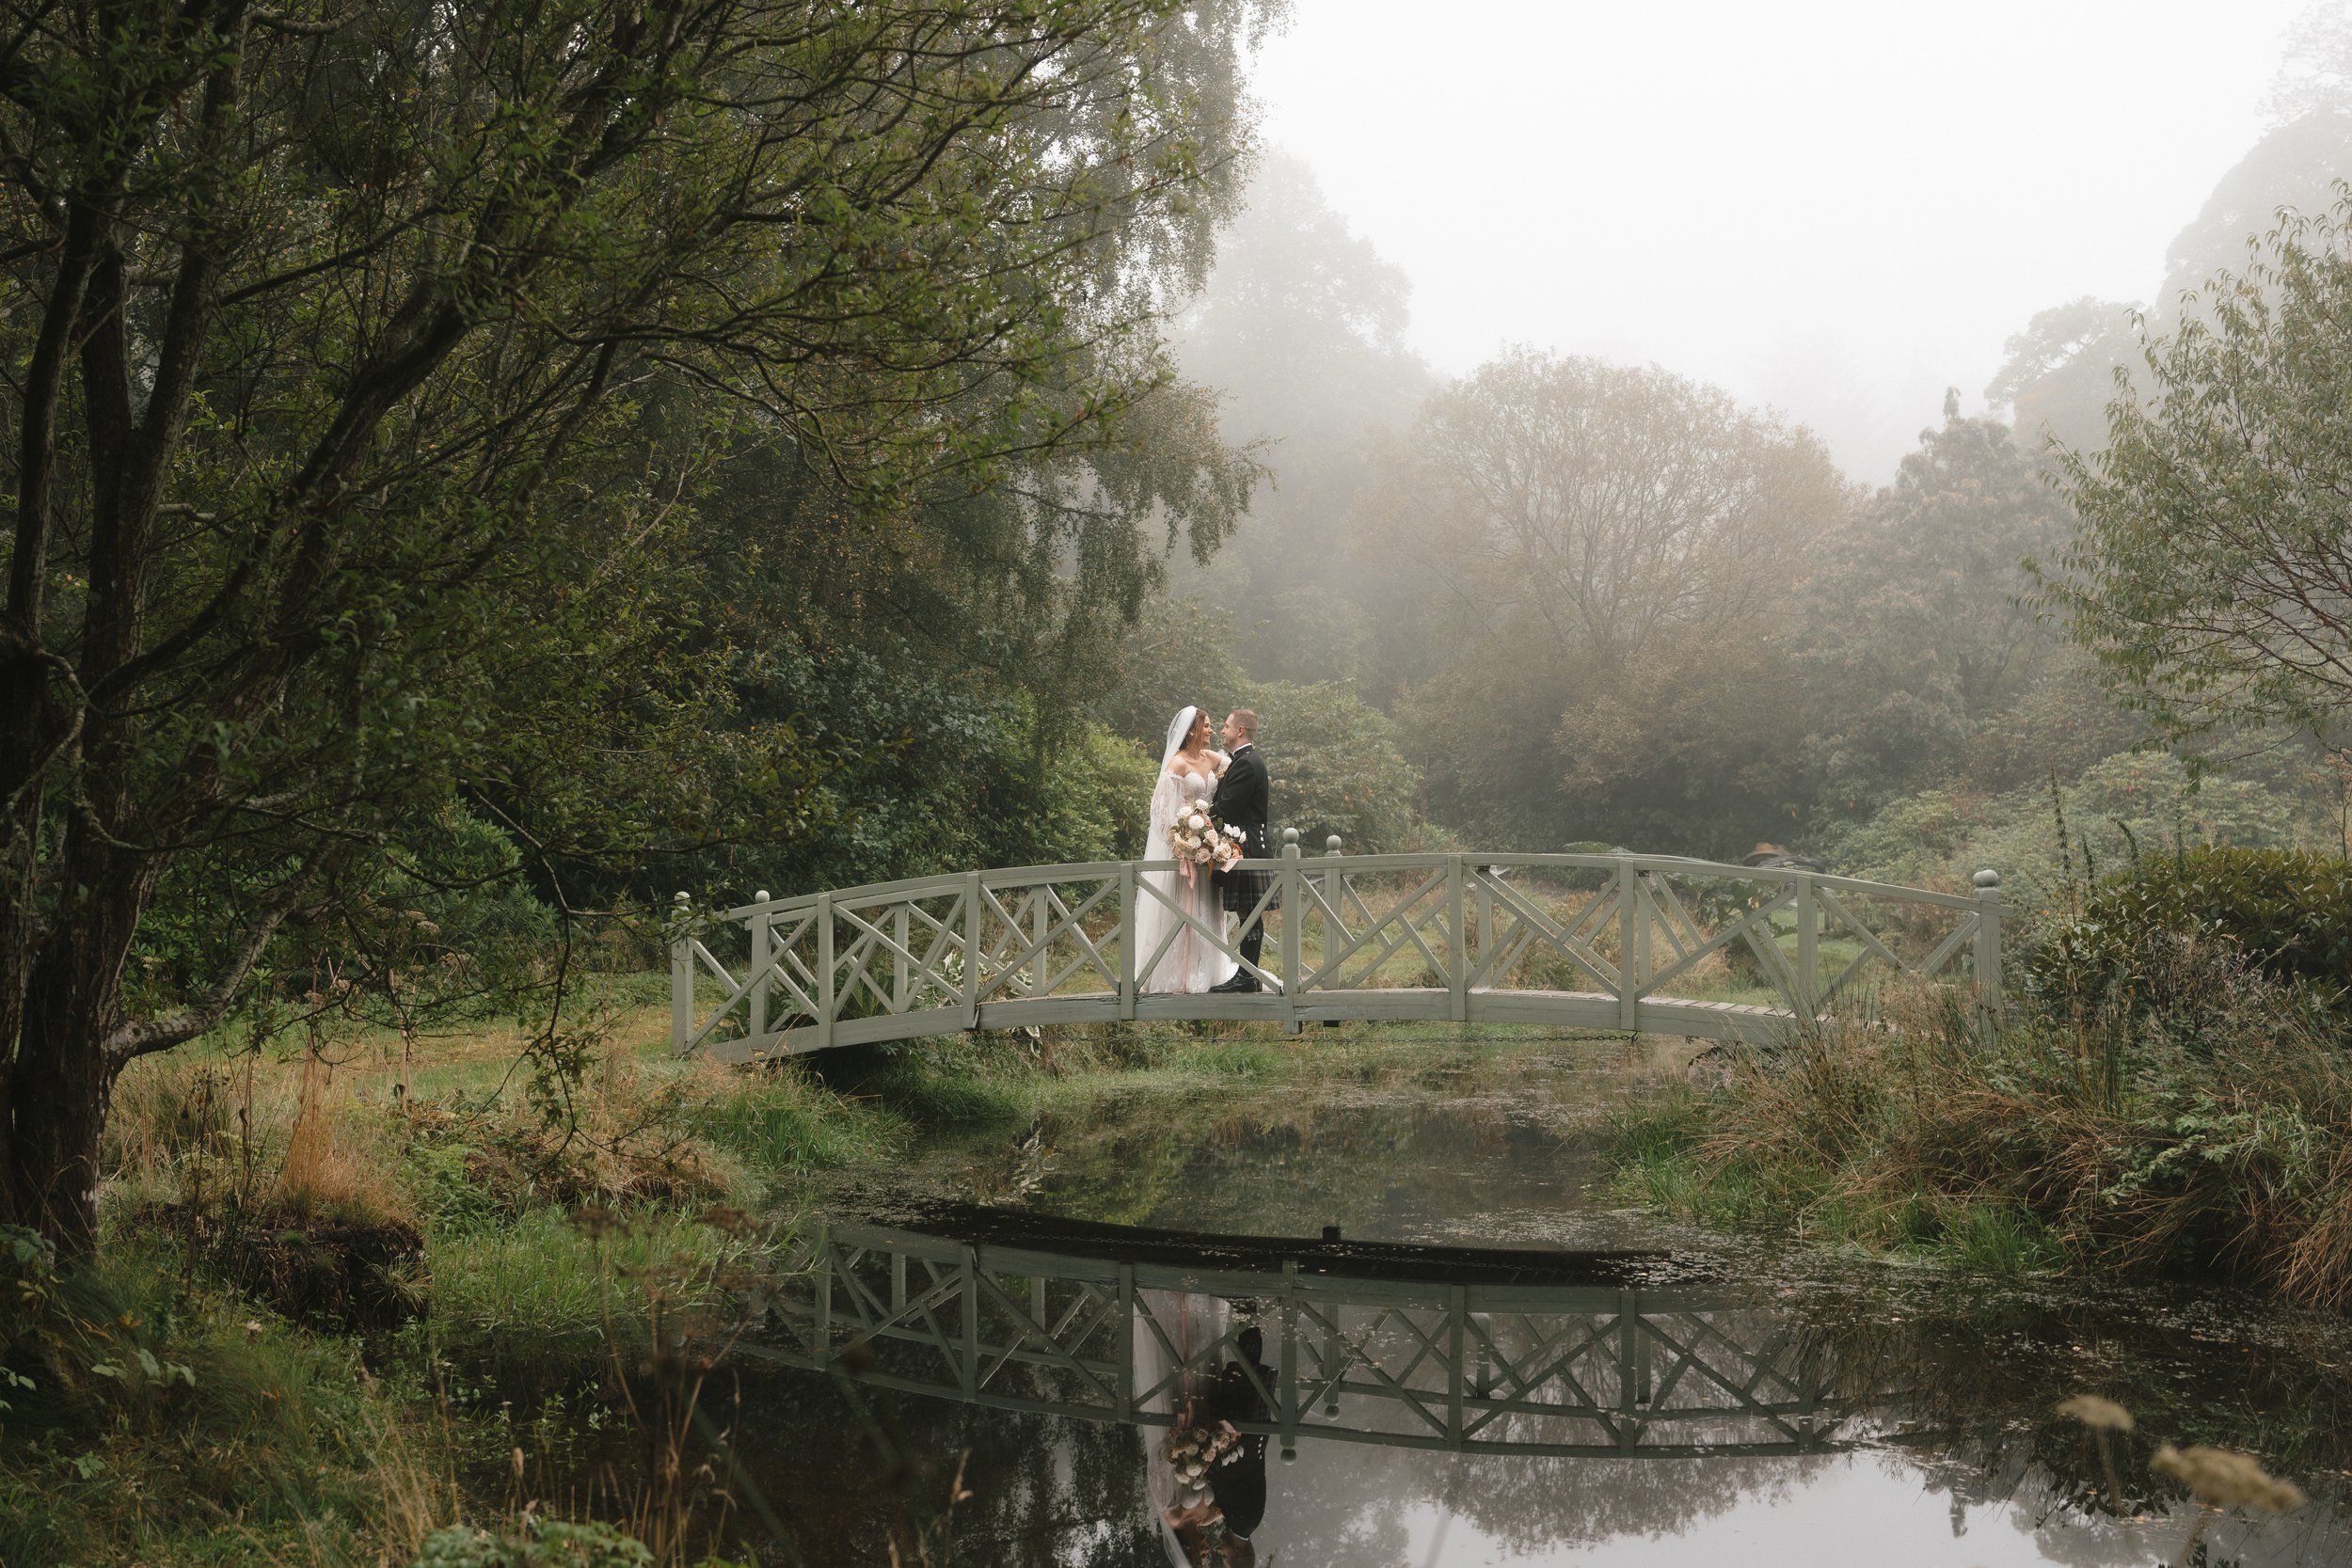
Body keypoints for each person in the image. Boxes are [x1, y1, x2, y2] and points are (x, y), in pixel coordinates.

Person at [1137, 705, 1239, 993]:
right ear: (1192, 730)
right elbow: (1159, 812)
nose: (1210, 730)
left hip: (1208, 851)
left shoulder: (1213, 758)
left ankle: (1208, 971)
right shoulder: (1178, 764)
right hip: (1186, 852)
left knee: (1207, 908)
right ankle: (1174, 973)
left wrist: (1214, 835)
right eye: (1206, 726)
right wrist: (1182, 841)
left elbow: (1237, 771)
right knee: (1180, 911)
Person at [1207, 709, 1273, 993]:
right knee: (1248, 911)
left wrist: (1195, 819)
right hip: (1246, 844)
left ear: (1240, 731)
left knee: (1249, 911)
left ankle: (1247, 977)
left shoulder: (1246, 764)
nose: (1222, 731)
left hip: (1245, 847)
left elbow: (1228, 808)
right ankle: (1248, 975)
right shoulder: (1244, 761)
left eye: (1226, 726)